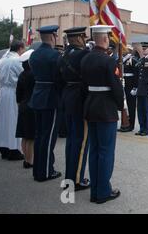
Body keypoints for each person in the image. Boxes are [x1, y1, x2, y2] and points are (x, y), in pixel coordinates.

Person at [80, 25, 123, 204]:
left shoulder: (85, 59)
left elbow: (84, 86)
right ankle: (103, 192)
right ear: (105, 39)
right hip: (106, 109)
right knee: (106, 152)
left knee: (95, 150)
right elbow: (116, 87)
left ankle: (95, 191)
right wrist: (121, 106)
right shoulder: (108, 61)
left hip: (90, 106)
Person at [58, 27, 91, 191]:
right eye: (83, 37)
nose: (84, 40)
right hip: (79, 99)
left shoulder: (63, 55)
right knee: (81, 141)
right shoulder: (83, 55)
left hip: (67, 98)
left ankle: (69, 177)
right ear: (78, 38)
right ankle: (76, 180)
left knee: (71, 141)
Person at [29, 26, 62, 182]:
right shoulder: (54, 55)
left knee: (39, 136)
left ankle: (38, 170)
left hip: (37, 96)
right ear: (53, 36)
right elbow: (59, 79)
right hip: (50, 98)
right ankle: (46, 171)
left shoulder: (34, 55)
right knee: (48, 137)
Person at [0, 40, 25, 161]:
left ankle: (4, 148)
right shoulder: (17, 60)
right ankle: (13, 149)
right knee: (13, 121)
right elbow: (22, 76)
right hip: (13, 91)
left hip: (4, 92)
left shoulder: (3, 59)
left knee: (3, 121)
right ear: (20, 48)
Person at [15, 49, 35, 168]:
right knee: (31, 136)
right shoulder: (33, 75)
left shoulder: (22, 75)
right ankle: (30, 160)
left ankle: (25, 158)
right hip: (31, 106)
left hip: (22, 105)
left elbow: (18, 95)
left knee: (24, 135)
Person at [118, 45, 140, 133]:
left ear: (129, 51)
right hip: (123, 85)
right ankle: (124, 123)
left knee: (131, 106)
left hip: (130, 86)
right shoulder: (121, 60)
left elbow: (137, 75)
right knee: (123, 105)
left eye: (125, 49)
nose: (123, 51)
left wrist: (135, 87)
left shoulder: (133, 60)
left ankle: (131, 125)